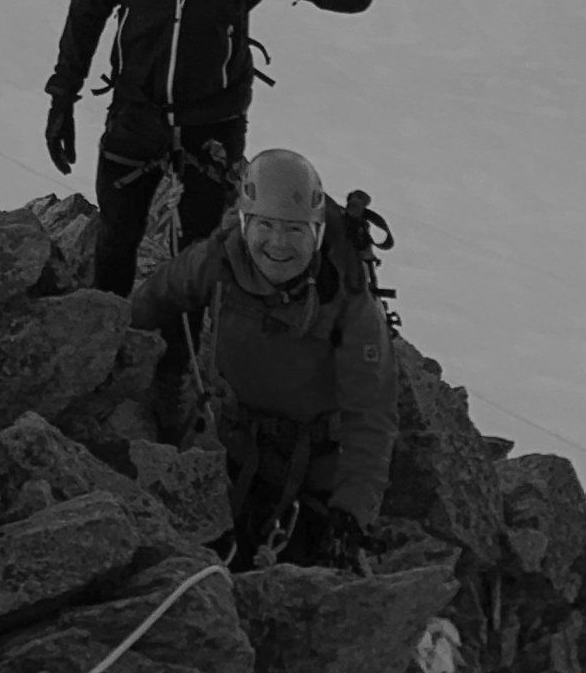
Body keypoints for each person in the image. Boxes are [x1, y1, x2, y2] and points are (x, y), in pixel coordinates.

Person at [43, 0, 390, 297]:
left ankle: (177, 346)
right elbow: (88, 10)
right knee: (116, 243)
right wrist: (63, 96)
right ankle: (109, 333)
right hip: (136, 110)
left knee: (198, 259)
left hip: (213, 124)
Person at [129, 146, 398, 570]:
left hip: (312, 474)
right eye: (266, 225)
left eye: (294, 229)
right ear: (244, 223)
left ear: (317, 234)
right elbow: (161, 294)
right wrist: (114, 343)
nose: (278, 243)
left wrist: (350, 514)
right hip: (230, 446)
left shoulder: (349, 305)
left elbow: (371, 418)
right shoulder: (219, 260)